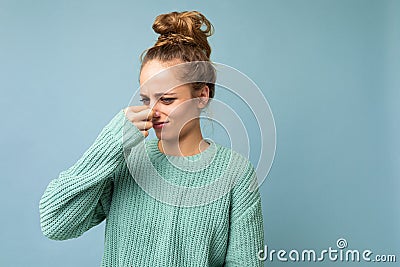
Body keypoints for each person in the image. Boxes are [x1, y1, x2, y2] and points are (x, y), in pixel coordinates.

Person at [39, 10, 265, 267]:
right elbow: (54, 222)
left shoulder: (235, 172)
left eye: (167, 99)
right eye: (146, 99)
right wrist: (110, 144)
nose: (153, 110)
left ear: (202, 95)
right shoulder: (125, 160)